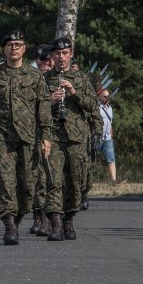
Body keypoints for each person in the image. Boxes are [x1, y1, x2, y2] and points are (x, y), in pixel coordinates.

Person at [0, 30, 53, 245]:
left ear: (24, 48)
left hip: (28, 139)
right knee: (6, 183)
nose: (14, 48)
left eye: (18, 44)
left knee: (28, 185)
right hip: (2, 138)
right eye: (10, 44)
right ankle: (9, 224)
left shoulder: (34, 76)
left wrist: (46, 135)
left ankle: (18, 217)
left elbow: (43, 107)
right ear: (4, 49)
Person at [42, 37, 98, 240]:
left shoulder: (81, 79)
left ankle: (68, 219)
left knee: (75, 182)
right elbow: (32, 110)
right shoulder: (45, 80)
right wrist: (50, 100)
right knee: (53, 180)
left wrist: (73, 92)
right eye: (57, 54)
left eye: (65, 53)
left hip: (76, 138)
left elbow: (93, 106)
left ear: (71, 54)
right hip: (53, 136)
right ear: (53, 56)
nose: (61, 57)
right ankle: (55, 222)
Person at [29, 43, 55, 235]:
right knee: (37, 178)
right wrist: (48, 100)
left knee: (52, 178)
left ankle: (54, 216)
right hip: (34, 132)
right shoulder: (30, 76)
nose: (46, 63)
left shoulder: (58, 76)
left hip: (57, 133)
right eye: (42, 60)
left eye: (48, 60)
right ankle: (39, 216)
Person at [98, 90, 116, 183]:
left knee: (111, 158)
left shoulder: (110, 109)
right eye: (105, 96)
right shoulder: (97, 108)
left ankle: (113, 180)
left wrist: (111, 137)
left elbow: (110, 124)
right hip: (98, 138)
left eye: (108, 96)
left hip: (108, 138)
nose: (107, 98)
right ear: (100, 97)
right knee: (90, 158)